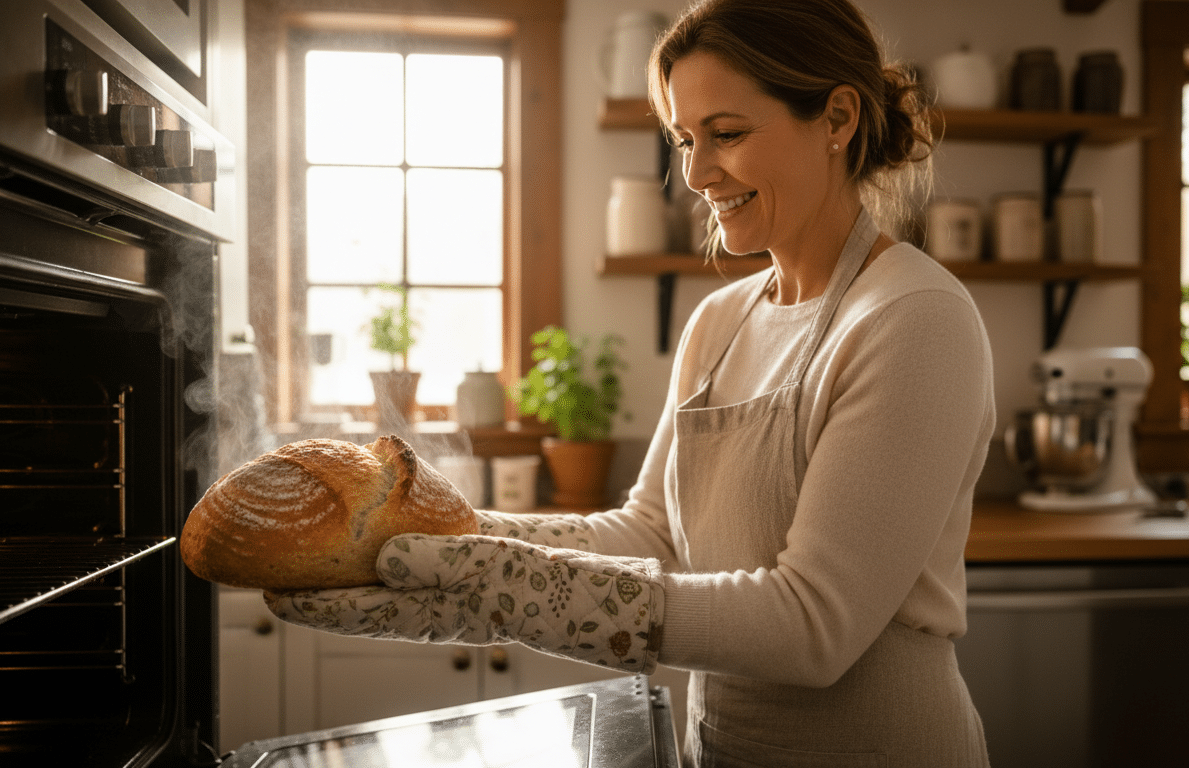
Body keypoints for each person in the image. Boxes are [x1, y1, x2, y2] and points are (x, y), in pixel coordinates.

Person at [266, 0, 996, 765]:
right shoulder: (721, 321)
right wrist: (457, 542)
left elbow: (813, 626)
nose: (696, 172)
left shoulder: (912, 318)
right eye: (685, 138)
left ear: (838, 117)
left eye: (727, 133)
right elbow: (654, 534)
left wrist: (513, 590)